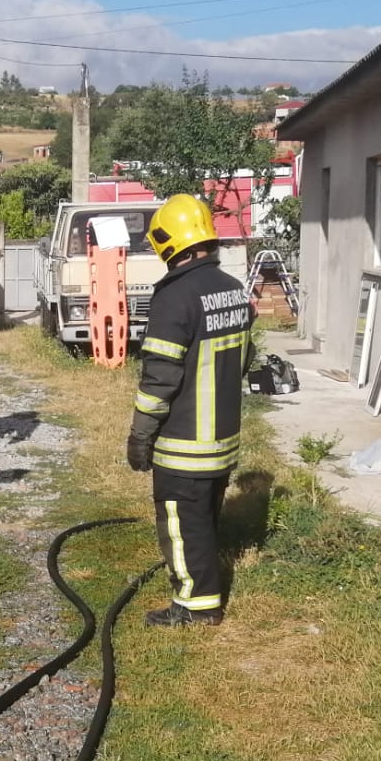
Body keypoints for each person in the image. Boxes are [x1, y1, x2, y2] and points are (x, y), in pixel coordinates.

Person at [125, 193, 253, 626]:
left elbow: (160, 378)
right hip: (223, 437)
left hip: (184, 441)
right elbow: (245, 358)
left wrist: (141, 433)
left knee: (182, 520)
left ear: (168, 242)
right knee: (204, 518)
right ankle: (203, 588)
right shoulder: (233, 291)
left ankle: (195, 606)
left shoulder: (174, 298)